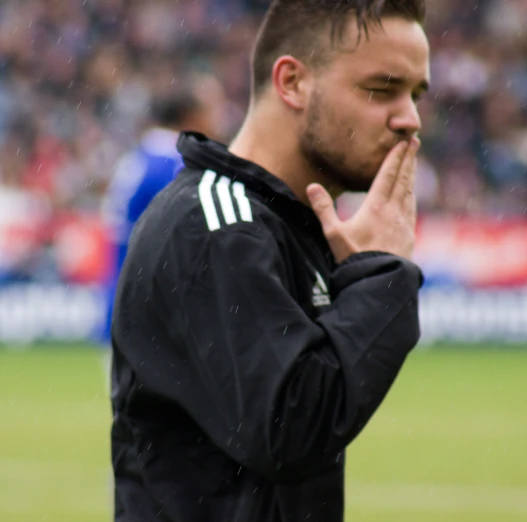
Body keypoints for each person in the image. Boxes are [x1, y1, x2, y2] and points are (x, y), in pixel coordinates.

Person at [109, 0, 430, 520]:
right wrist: (383, 278)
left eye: (415, 94)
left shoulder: (286, 228)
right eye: (381, 89)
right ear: (293, 83)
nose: (410, 119)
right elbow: (293, 431)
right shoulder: (215, 224)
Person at [101, 80, 219, 342]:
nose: (216, 120)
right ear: (191, 116)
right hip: (153, 314)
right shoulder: (175, 164)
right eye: (210, 110)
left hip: (124, 302)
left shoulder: (141, 156)